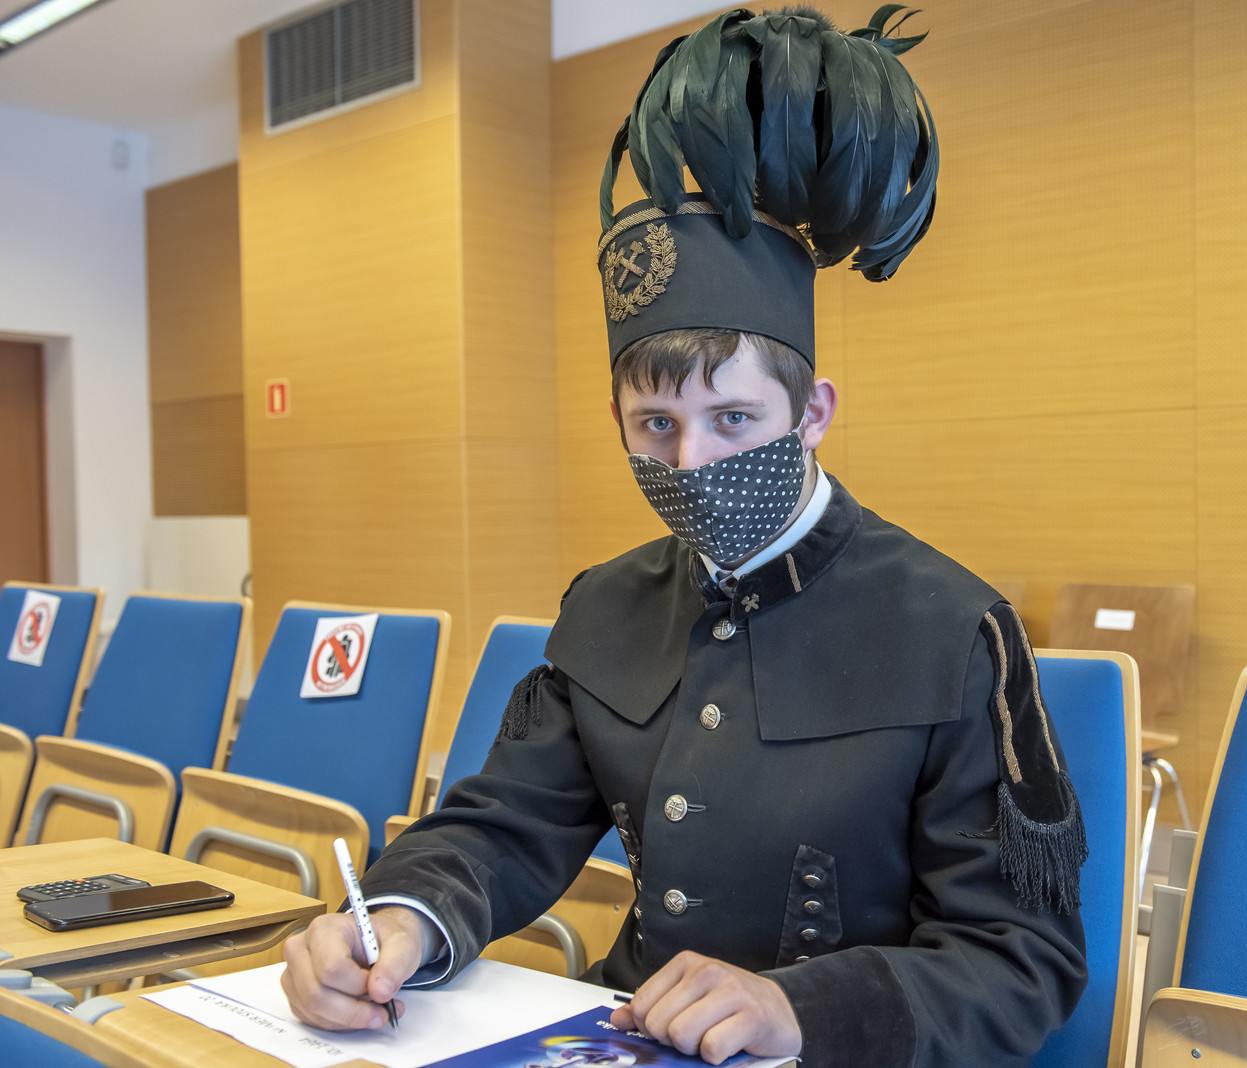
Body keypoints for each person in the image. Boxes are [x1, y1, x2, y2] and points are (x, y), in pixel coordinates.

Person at [281, 8, 1089, 1066]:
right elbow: (506, 824)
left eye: (734, 419)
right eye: (656, 425)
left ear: (813, 412)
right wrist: (402, 923)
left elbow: (1022, 961)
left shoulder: (952, 630)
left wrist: (799, 1009)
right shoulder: (604, 607)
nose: (694, 460)